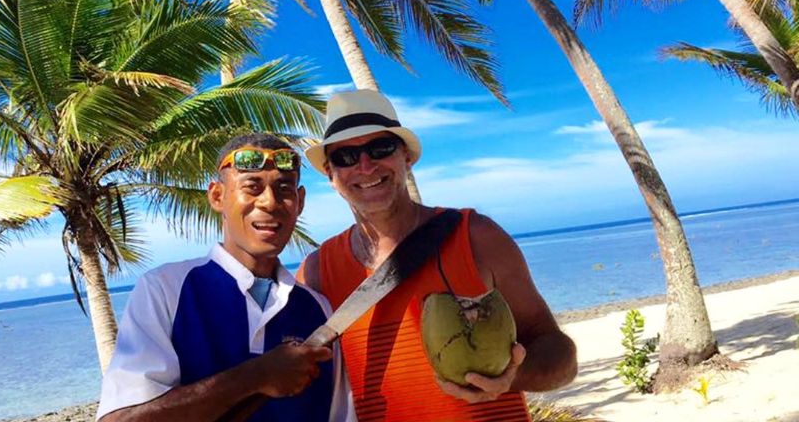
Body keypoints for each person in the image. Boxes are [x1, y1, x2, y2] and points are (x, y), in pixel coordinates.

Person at [298, 90, 577, 421]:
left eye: (380, 148)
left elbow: (561, 356)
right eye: (345, 156)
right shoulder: (316, 270)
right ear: (331, 175)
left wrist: (511, 377)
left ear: (407, 157)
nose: (365, 165)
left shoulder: (475, 236)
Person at [97, 134, 354, 422]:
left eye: (284, 188)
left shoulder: (316, 308)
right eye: (252, 187)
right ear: (218, 196)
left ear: (300, 201)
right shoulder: (166, 289)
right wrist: (256, 376)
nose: (270, 202)